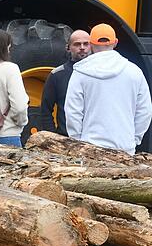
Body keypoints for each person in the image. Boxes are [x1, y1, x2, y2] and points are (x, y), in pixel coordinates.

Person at [64, 24, 152, 155]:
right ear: (115, 43)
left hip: (90, 148)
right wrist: (133, 139)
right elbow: (144, 111)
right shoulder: (134, 72)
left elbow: (73, 112)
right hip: (125, 148)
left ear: (91, 44)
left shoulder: (81, 72)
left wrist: (78, 141)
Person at [39, 30, 91, 135]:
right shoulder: (57, 75)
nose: (82, 47)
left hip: (94, 138)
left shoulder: (99, 74)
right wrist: (52, 137)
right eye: (77, 44)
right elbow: (45, 110)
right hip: (65, 138)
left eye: (86, 44)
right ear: (68, 47)